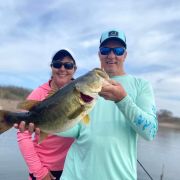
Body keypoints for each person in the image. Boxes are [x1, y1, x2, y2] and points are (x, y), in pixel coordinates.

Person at [17, 29, 158, 180]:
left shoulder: (141, 85)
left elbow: (150, 132)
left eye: (118, 50)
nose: (111, 55)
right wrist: (40, 125)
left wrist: (122, 99)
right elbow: (76, 130)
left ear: (125, 54)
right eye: (105, 50)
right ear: (99, 55)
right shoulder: (89, 91)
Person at [16, 49, 77, 180]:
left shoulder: (81, 92)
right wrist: (39, 172)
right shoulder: (38, 93)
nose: (62, 69)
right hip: (45, 168)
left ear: (74, 69)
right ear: (51, 67)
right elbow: (23, 135)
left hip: (73, 168)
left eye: (68, 65)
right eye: (57, 64)